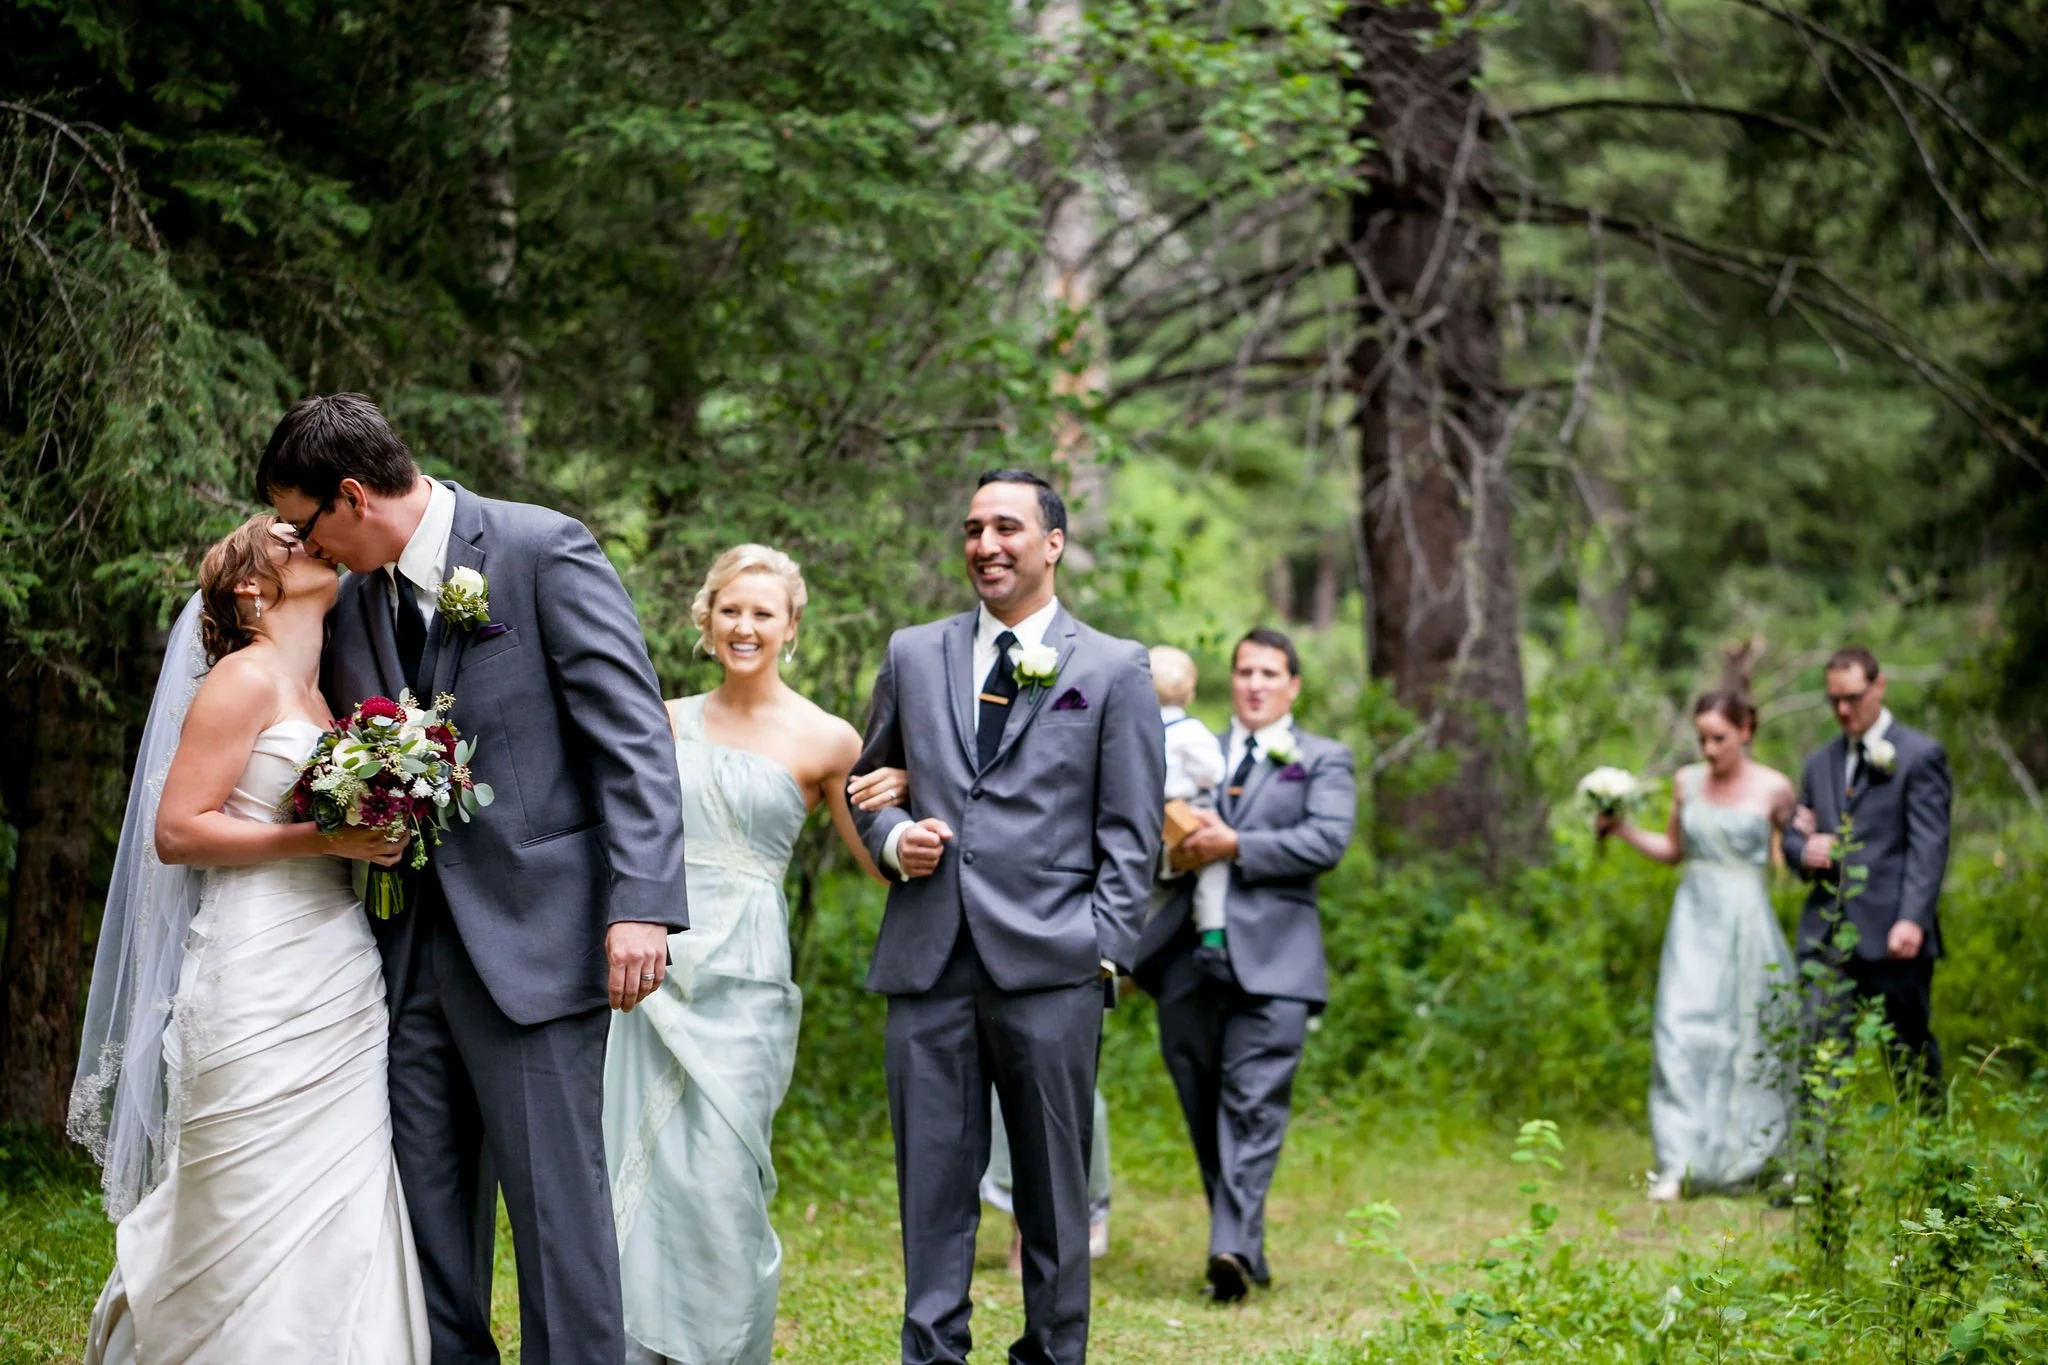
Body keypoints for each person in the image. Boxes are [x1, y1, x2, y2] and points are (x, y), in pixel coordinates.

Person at [264, 393, 689, 1364]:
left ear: (352, 495)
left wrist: (643, 908)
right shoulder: (354, 599)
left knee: (555, 1218)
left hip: (538, 942)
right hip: (405, 955)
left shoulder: (543, 549)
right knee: (428, 1221)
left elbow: (631, 738)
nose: (305, 544)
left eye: (307, 522)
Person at [77, 517, 429, 1361]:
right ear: (250, 584)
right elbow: (178, 831)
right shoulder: (242, 679)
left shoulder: (321, 695)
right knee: (245, 1177)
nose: (312, 539)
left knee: (342, 1184)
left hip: (338, 969)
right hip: (255, 965)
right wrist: (323, 840)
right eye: (288, 537)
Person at [849, 469, 1164, 1365]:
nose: (985, 544)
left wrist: (1098, 949)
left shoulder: (1111, 667)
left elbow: (1132, 833)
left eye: (1007, 527)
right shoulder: (914, 652)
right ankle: (932, 1352)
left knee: (1054, 1194)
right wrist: (894, 837)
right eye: (973, 528)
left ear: (1053, 542)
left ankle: (1055, 1354)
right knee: (932, 1188)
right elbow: (869, 786)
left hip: (1052, 966)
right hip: (928, 960)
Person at [604, 544, 901, 1365]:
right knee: (642, 1163)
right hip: (653, 967)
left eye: (763, 613)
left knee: (723, 1177)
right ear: (706, 619)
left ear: (791, 625)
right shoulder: (659, 719)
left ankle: (722, 1348)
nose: (745, 625)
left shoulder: (831, 739)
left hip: (746, 982)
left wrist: (904, 799)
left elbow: (882, 864)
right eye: (731, 609)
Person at [1132, 627, 1356, 1304]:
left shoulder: (1322, 758)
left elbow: (1326, 838)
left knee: (1253, 1106)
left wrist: (1237, 843)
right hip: (1184, 960)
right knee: (1205, 1108)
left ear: (1293, 685)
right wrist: (1177, 851)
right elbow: (1137, 834)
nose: (1255, 683)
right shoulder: (1184, 742)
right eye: (1244, 671)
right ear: (1228, 680)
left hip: (1278, 961)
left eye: (1269, 672)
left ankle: (1226, 1248)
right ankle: (1242, 1237)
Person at [1597, 691, 1798, 1201]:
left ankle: (1756, 1158)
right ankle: (1680, 1162)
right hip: (1694, 919)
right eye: (1702, 738)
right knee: (1680, 1032)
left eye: (1719, 738)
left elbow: (1794, 852)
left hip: (1748, 919)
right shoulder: (1686, 782)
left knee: (1753, 1031)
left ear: (1746, 731)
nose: (1709, 749)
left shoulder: (1775, 788)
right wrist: (1621, 829)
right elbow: (1673, 851)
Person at [1781, 646, 1951, 1088]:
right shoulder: (1820, 763)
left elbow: (1928, 846)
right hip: (1828, 933)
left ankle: (1930, 1154)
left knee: (1910, 1058)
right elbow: (1794, 833)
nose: (1842, 710)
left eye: (1852, 698)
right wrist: (1804, 850)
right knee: (1821, 1057)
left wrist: (1912, 919)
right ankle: (1819, 1157)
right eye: (1833, 700)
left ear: (1878, 686)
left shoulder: (1920, 755)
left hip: (1894, 935)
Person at [1153, 644, 1231, 978]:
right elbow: (1214, 772)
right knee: (1212, 869)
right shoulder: (1192, 732)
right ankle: (1213, 935)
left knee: (1155, 876)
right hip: (1191, 810)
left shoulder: (1141, 730)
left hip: (1157, 813)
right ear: (1190, 693)